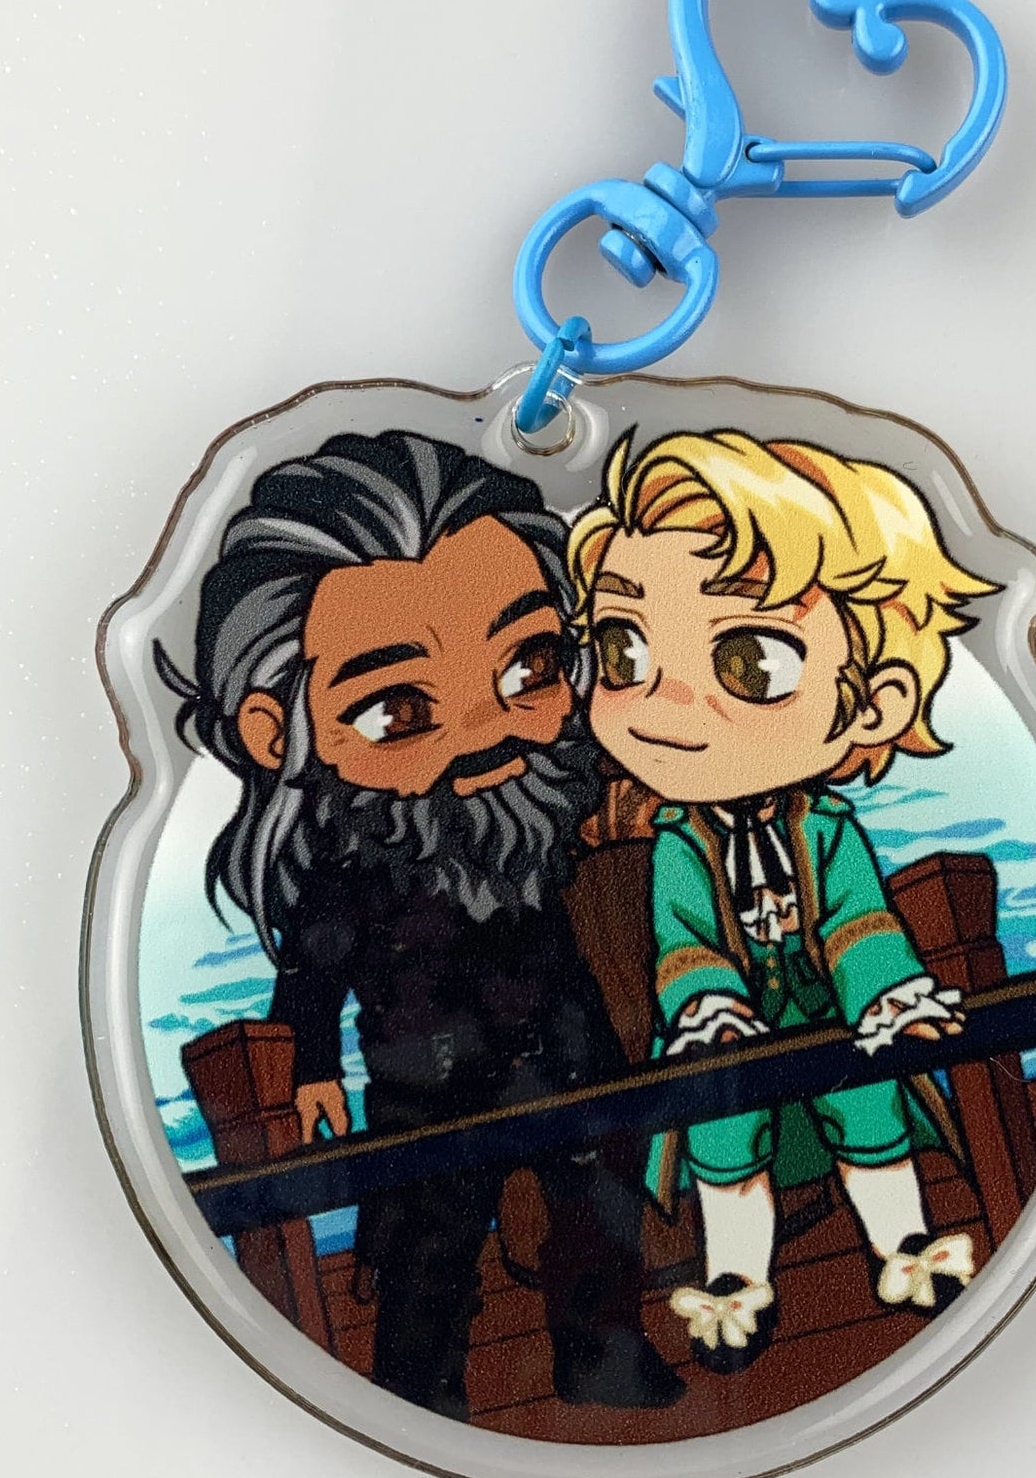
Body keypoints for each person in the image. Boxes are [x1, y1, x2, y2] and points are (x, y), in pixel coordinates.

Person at [159, 430, 683, 1421]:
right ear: (276, 732)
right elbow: (313, 963)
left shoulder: (545, 800)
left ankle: (604, 1354)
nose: (485, 731)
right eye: (396, 709)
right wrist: (313, 1063)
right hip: (426, 1066)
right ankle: (418, 1392)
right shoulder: (353, 851)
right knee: (430, 1237)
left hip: (564, 1034)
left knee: (600, 1195)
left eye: (528, 665)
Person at [567, 428, 999, 1372]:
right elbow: (684, 940)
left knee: (872, 1101)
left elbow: (859, 919)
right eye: (623, 650)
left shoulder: (827, 828)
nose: (663, 704)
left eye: (751, 664)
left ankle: (905, 1247)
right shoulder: (681, 843)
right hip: (725, 1026)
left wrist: (886, 992)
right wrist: (708, 1005)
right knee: (723, 1127)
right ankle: (735, 1284)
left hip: (833, 1009)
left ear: (876, 702)